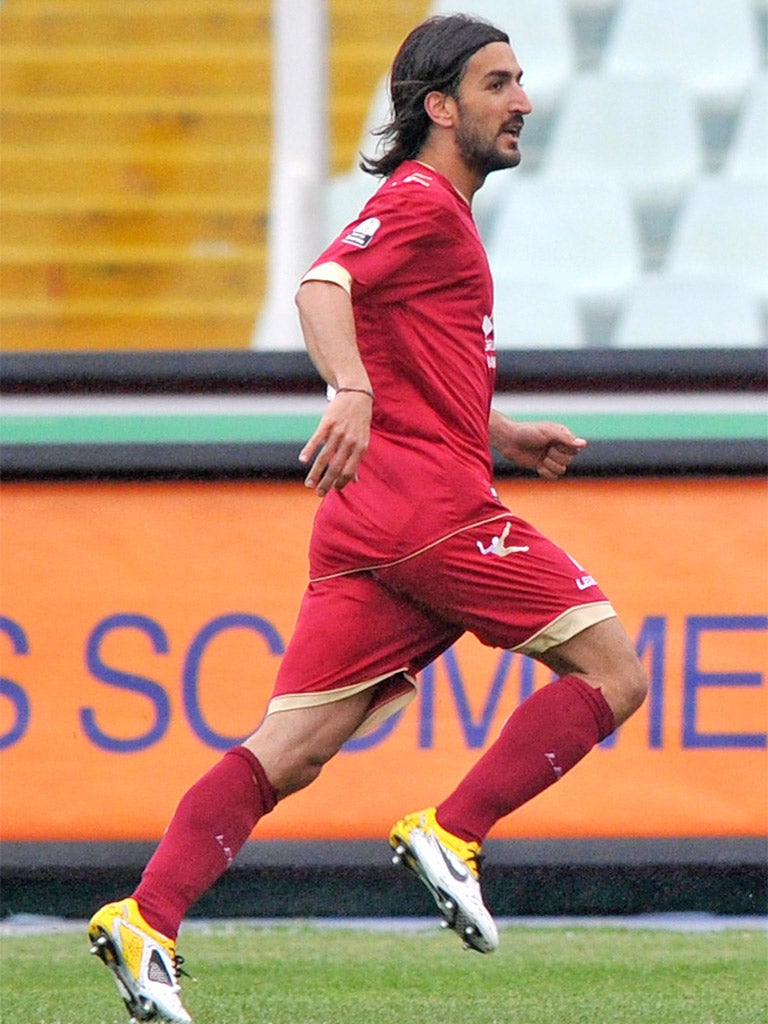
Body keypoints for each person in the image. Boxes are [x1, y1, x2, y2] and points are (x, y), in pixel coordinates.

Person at [87, 13, 648, 1023]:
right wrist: (345, 388)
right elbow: (320, 287)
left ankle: (147, 917)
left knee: (287, 751)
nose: (522, 99)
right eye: (497, 82)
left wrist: (503, 428)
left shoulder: (440, 218)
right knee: (614, 672)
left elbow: (410, 359)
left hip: (368, 529)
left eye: (520, 79)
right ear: (440, 106)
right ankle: (458, 830)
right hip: (429, 513)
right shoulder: (424, 203)